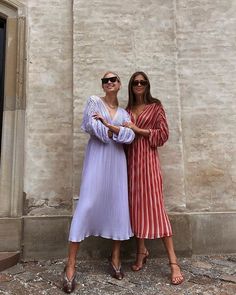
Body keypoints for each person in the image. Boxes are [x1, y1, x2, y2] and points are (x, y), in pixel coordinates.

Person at [63, 71, 135, 293]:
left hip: (116, 162)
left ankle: (115, 258)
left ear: (120, 85)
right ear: (102, 85)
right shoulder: (93, 102)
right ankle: (71, 265)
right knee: (86, 205)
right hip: (97, 160)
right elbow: (94, 129)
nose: (110, 82)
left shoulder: (124, 112)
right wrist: (117, 130)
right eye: (106, 80)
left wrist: (111, 127)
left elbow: (130, 138)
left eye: (113, 79)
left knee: (118, 205)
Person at [123, 71, 184, 285]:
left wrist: (137, 129)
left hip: (148, 162)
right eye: (135, 82)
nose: (139, 85)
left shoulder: (156, 106)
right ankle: (141, 251)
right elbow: (124, 138)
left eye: (142, 82)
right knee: (136, 207)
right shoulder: (127, 110)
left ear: (147, 85)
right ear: (131, 86)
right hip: (132, 164)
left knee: (156, 208)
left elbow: (163, 134)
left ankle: (173, 262)